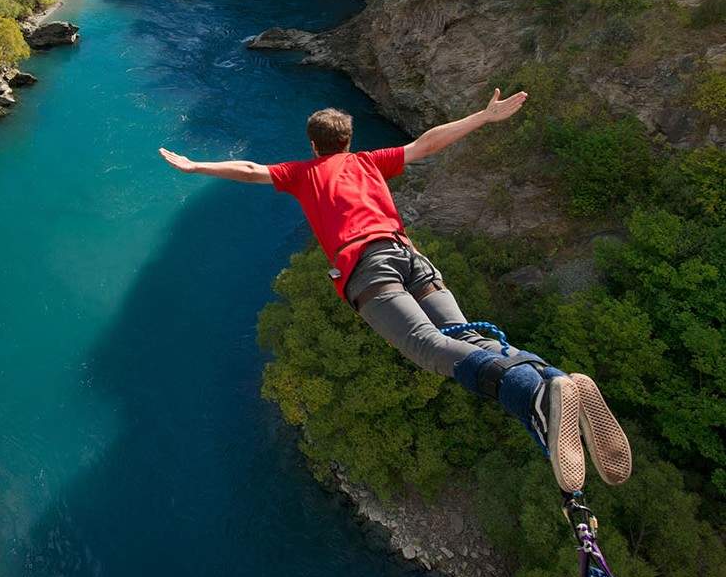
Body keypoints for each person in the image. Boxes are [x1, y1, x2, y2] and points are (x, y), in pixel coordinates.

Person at [158, 90, 632, 493]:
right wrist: (484, 117)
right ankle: (550, 377)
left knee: (426, 346)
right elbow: (426, 145)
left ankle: (533, 394)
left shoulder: (303, 173)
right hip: (410, 256)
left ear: (313, 144)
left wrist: (196, 166)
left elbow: (249, 168)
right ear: (348, 140)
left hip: (366, 266)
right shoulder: (368, 161)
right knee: (465, 336)